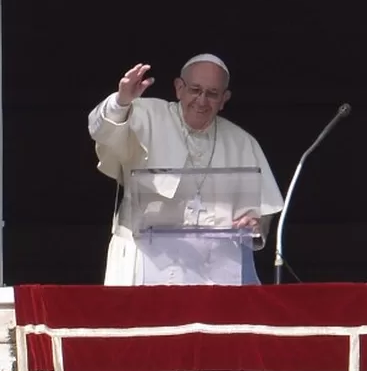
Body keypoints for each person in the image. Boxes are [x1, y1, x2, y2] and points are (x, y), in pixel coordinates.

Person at [88, 53, 284, 286]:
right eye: (195, 90)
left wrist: (255, 224)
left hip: (214, 268)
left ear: (224, 99)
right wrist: (120, 101)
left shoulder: (242, 142)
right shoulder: (145, 114)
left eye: (212, 94)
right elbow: (101, 131)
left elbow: (262, 212)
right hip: (143, 258)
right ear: (179, 88)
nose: (202, 101)